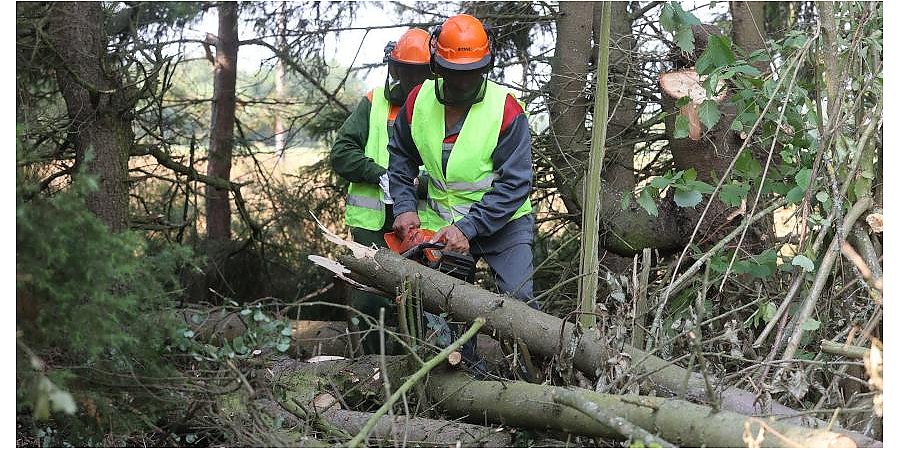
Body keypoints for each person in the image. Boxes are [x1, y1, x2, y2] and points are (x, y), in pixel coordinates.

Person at [387, 14, 538, 370]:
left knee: (519, 303)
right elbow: (400, 158)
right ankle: (462, 384)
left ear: (486, 65)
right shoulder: (417, 102)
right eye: (456, 73)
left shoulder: (505, 109)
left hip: (505, 225)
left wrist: (469, 228)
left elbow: (515, 183)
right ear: (438, 66)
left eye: (473, 72)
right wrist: (405, 207)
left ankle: (537, 381)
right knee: (442, 308)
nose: (464, 81)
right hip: (444, 225)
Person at [330, 28, 432, 355]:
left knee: (419, 297)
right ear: (395, 68)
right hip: (372, 222)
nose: (412, 79)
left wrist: (421, 184)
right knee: (370, 299)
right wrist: (379, 175)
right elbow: (342, 152)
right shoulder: (374, 102)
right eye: (406, 70)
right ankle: (372, 370)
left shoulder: (442, 107)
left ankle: (416, 369)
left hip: (422, 219)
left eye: (420, 72)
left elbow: (457, 166)